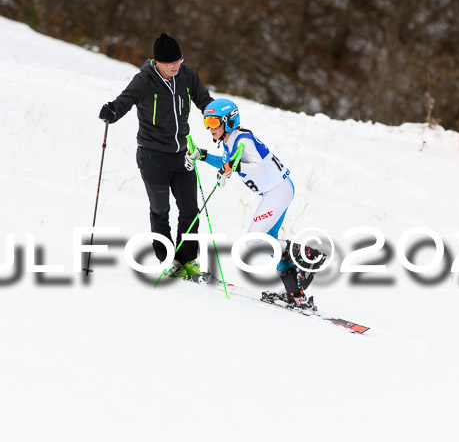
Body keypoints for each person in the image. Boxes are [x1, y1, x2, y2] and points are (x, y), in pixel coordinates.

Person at [185, 98, 326, 308]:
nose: (209, 128)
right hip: (276, 192)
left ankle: (310, 255)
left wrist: (234, 167)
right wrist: (203, 155)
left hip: (277, 191)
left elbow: (259, 168)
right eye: (207, 122)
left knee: (253, 241)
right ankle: (295, 294)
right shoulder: (229, 140)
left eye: (214, 122)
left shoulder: (243, 139)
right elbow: (227, 163)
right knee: (269, 242)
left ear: (229, 121)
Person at [98, 33, 213, 279]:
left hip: (182, 154)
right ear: (157, 62)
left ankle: (187, 259)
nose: (176, 66)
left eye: (179, 60)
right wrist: (112, 112)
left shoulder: (187, 75)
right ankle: (167, 258)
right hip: (153, 156)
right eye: (170, 62)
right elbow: (125, 100)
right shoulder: (144, 80)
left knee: (190, 211)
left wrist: (221, 117)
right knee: (161, 210)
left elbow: (205, 101)